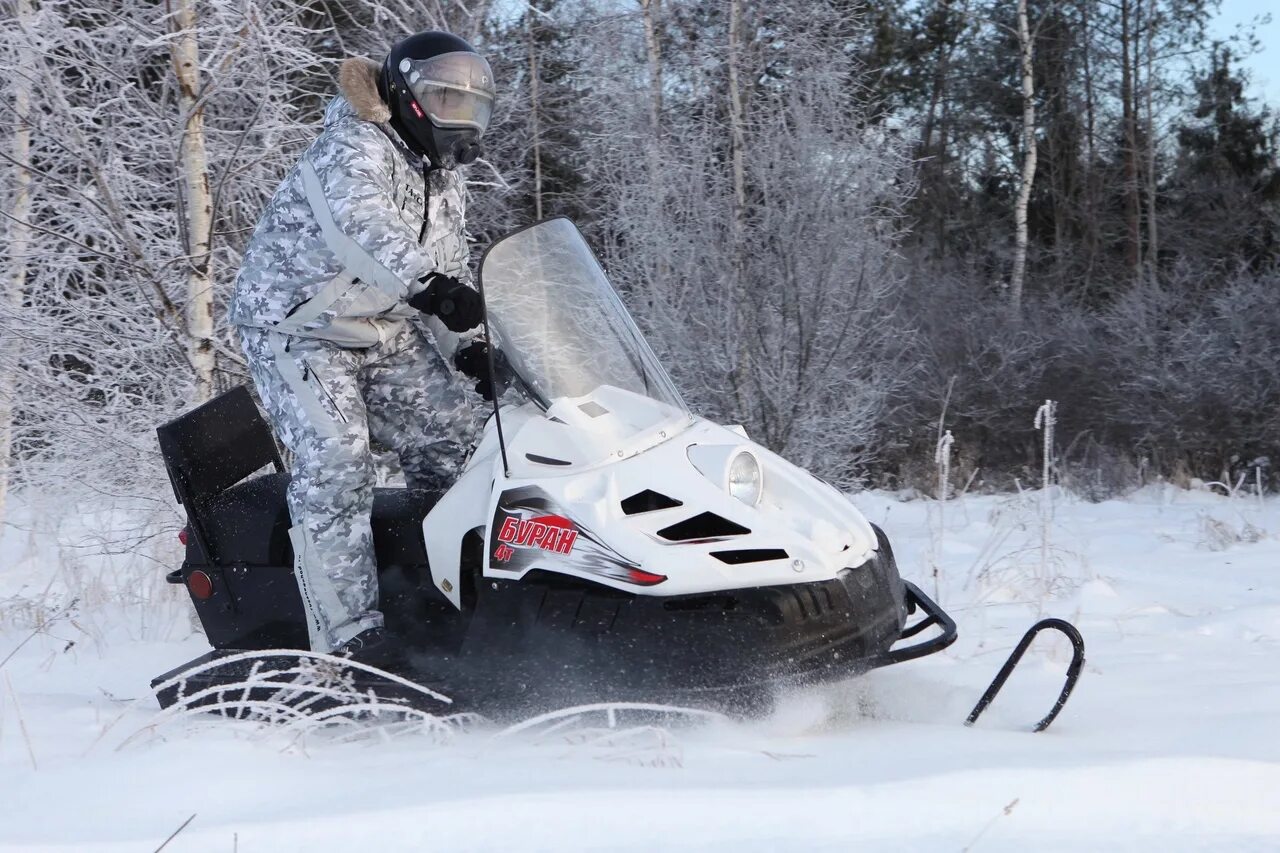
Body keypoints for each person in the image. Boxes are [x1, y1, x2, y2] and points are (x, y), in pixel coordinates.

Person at [229, 31, 497, 670]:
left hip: (380, 328)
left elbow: (450, 261)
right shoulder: (352, 146)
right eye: (442, 99)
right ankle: (347, 643)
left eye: (469, 105)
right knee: (336, 460)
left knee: (461, 435)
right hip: (296, 328)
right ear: (406, 98)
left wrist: (467, 347)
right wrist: (430, 288)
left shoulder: (443, 177)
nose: (457, 117)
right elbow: (360, 228)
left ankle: (449, 595)